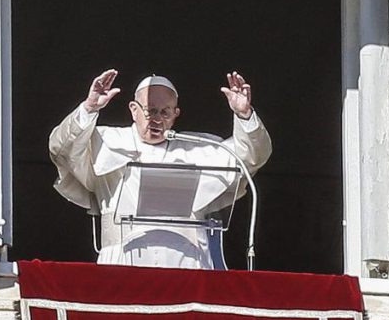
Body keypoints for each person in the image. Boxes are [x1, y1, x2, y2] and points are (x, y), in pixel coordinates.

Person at [49, 69, 272, 269]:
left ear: (176, 114)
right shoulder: (104, 142)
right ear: (133, 110)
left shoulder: (199, 148)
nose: (156, 119)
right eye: (150, 111)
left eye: (165, 112)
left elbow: (251, 157)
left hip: (187, 261)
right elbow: (62, 149)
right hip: (122, 260)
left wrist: (244, 115)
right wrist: (89, 108)